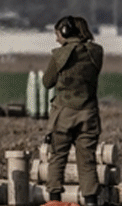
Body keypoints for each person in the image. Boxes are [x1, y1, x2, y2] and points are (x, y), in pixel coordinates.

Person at [42, 15, 103, 205]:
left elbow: (47, 82)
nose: (56, 38)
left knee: (57, 158)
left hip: (63, 114)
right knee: (87, 162)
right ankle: (91, 201)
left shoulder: (59, 55)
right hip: (89, 114)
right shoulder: (96, 52)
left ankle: (54, 201)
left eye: (58, 33)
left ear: (66, 32)